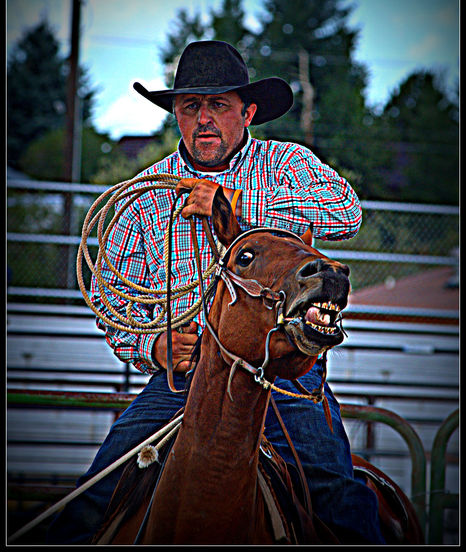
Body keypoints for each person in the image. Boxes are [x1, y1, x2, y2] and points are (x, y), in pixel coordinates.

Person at [47, 40, 384, 544]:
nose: (204, 119)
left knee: (336, 493)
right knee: (94, 493)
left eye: (219, 106)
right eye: (191, 107)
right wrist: (154, 346)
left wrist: (234, 205)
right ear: (177, 117)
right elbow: (112, 298)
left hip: (279, 372)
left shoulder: (287, 164)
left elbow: (346, 214)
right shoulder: (147, 196)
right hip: (188, 379)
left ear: (246, 113)